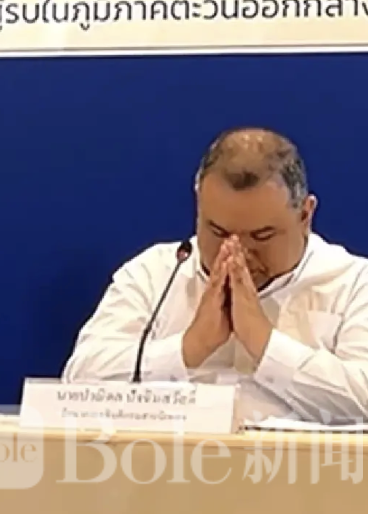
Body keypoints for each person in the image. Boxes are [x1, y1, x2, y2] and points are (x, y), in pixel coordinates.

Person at [63, 127, 368, 423]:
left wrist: (264, 344)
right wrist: (190, 347)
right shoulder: (156, 274)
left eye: (261, 236)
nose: (238, 253)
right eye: (218, 232)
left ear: (305, 215)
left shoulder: (354, 282)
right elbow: (78, 383)